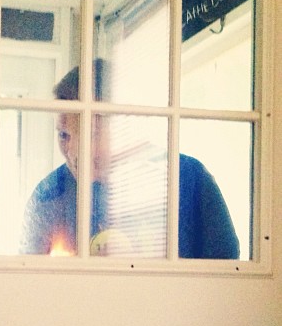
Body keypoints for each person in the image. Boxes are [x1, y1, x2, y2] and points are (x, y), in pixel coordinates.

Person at [19, 66, 240, 259]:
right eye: (64, 135)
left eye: (91, 133)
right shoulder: (49, 197)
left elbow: (224, 276)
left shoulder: (190, 180)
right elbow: (29, 284)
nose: (74, 153)